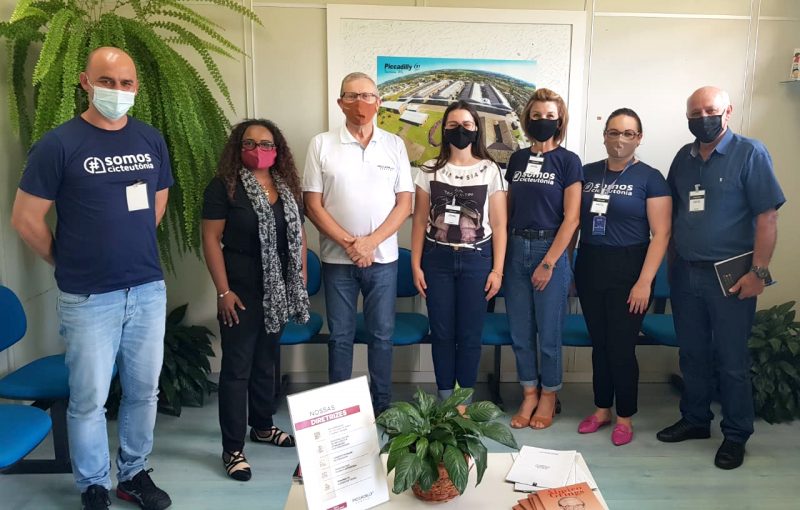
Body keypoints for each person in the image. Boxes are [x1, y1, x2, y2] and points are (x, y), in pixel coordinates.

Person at [11, 47, 172, 510]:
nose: (117, 91)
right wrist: (67, 260)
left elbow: (158, 197)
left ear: (136, 87)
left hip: (146, 288)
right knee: (88, 400)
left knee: (144, 392)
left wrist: (130, 243)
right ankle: (94, 484)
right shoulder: (59, 145)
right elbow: (25, 218)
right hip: (88, 297)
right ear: (85, 81)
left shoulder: (149, 139)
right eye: (107, 81)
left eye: (126, 83)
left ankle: (134, 474)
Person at [656, 86, 785, 470]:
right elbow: (673, 211)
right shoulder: (683, 157)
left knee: (731, 360)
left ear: (727, 112)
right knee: (692, 354)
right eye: (694, 113)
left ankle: (736, 434)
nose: (703, 118)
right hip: (685, 274)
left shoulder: (751, 153)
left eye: (710, 110)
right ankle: (696, 419)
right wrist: (671, 263)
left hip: (731, 276)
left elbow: (768, 217)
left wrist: (759, 272)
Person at [202, 119, 310, 481]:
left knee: (266, 360)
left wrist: (300, 276)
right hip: (240, 291)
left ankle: (262, 426)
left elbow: (298, 234)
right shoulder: (224, 187)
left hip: (277, 290)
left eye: (266, 144)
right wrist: (223, 291)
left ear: (277, 149)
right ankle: (232, 448)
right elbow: (210, 239)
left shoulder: (286, 186)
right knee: (237, 369)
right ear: (238, 148)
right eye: (250, 143)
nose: (258, 150)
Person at [303, 72, 413, 414]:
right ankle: (340, 413)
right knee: (340, 338)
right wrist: (352, 244)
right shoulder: (321, 144)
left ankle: (382, 406)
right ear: (340, 103)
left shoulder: (394, 145)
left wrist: (370, 243)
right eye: (351, 96)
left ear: (378, 103)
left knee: (382, 336)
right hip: (337, 261)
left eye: (367, 96)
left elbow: (405, 203)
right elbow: (312, 204)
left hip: (383, 260)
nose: (360, 103)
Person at [575, 108, 672, 446]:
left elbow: (661, 234)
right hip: (590, 263)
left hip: (631, 268)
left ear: (639, 138)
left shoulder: (650, 178)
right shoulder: (587, 173)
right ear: (604, 136)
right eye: (614, 132)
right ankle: (602, 409)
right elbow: (572, 221)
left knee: (621, 346)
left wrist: (645, 281)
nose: (620, 139)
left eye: (628, 133)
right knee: (599, 344)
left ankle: (625, 417)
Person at [411, 100, 507, 405]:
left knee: (469, 335)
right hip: (436, 259)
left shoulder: (490, 170)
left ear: (476, 129)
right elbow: (419, 221)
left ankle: (463, 402)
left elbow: (500, 225)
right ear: (444, 130)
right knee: (441, 333)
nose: (460, 130)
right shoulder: (429, 169)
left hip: (477, 259)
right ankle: (444, 399)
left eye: (467, 125)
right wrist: (415, 265)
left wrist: (497, 270)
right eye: (453, 125)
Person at [503, 88, 581, 430]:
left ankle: (549, 395)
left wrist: (549, 263)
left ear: (559, 121)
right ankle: (529, 393)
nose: (543, 121)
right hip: (516, 248)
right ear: (527, 119)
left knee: (549, 333)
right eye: (536, 116)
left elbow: (572, 219)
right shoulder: (517, 160)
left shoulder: (568, 161)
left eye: (550, 116)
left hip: (550, 249)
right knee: (520, 331)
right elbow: (507, 211)